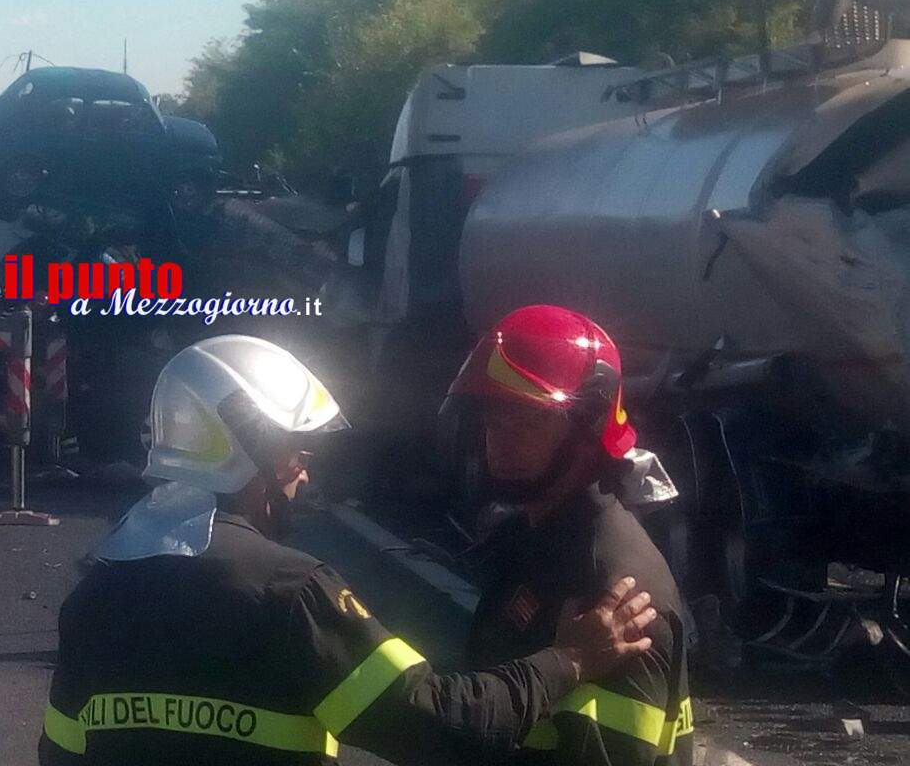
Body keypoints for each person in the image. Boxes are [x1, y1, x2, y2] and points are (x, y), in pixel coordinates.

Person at [39, 334, 660, 765]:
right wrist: (570, 659)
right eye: (295, 453)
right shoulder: (291, 591)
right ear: (246, 446)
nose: (303, 474)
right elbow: (441, 729)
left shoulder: (95, 592)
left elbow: (60, 755)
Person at [440, 305, 694, 766]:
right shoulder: (535, 538)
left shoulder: (611, 589)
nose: (499, 441)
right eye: (494, 420)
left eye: (528, 421)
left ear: (588, 428)